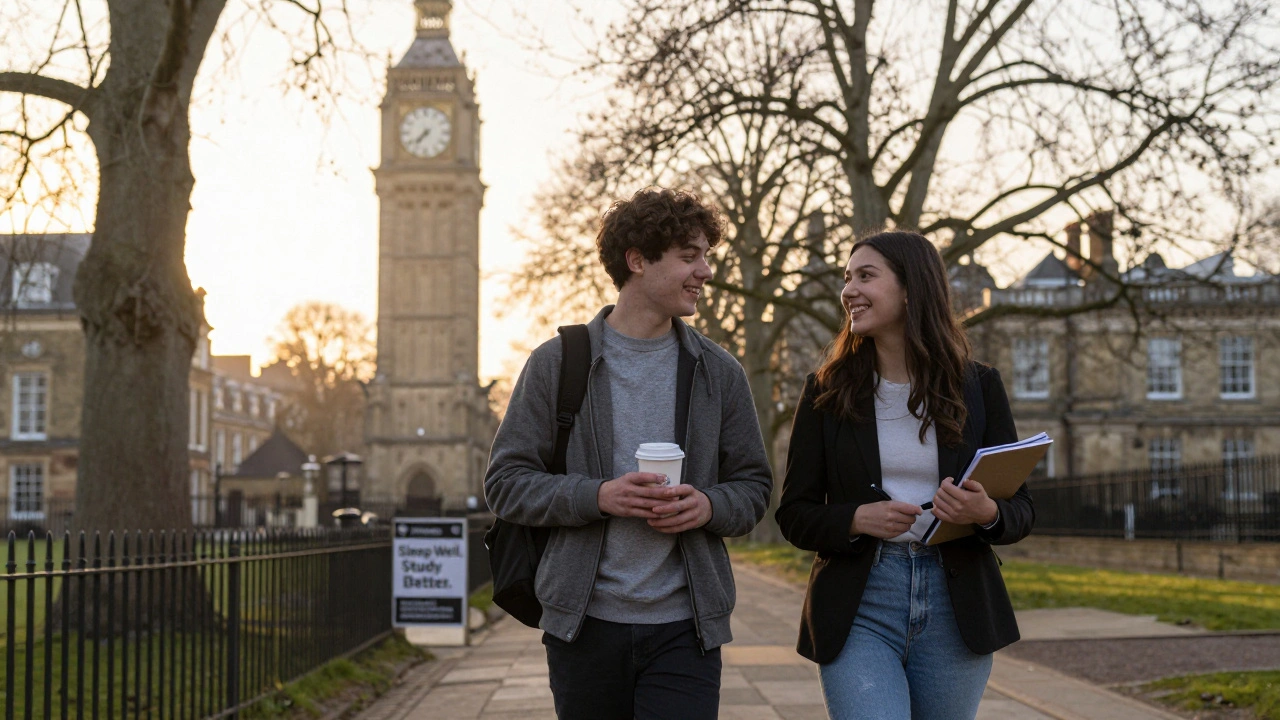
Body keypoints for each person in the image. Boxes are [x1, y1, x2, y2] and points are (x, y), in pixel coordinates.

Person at [485, 187, 773, 720]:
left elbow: (754, 487)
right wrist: (599, 495)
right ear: (636, 260)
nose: (705, 271)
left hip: (687, 631)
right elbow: (505, 483)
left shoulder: (719, 372)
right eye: (690, 256)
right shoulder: (556, 363)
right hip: (583, 627)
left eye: (707, 255)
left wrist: (708, 506)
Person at [775, 231, 1034, 720]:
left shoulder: (979, 387)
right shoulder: (825, 392)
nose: (849, 290)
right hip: (860, 603)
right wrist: (856, 519)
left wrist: (987, 512)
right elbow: (794, 514)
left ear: (912, 288)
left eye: (865, 276)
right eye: (846, 278)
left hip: (956, 607)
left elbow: (1022, 509)